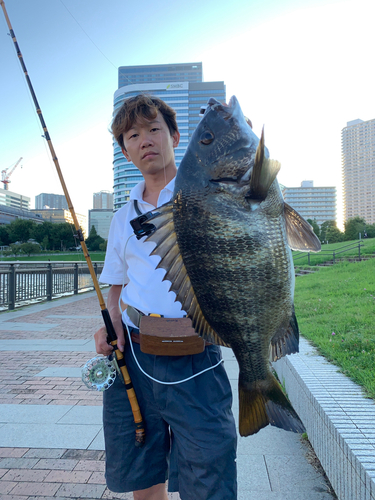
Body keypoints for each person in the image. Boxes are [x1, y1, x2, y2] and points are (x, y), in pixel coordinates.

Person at [94, 94, 237, 500]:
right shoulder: (123, 217)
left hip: (196, 350)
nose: (145, 140)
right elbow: (116, 285)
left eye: (154, 128)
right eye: (133, 135)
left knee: (210, 463)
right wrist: (109, 323)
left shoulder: (208, 195)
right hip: (136, 354)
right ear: (125, 151)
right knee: (143, 464)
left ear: (175, 136)